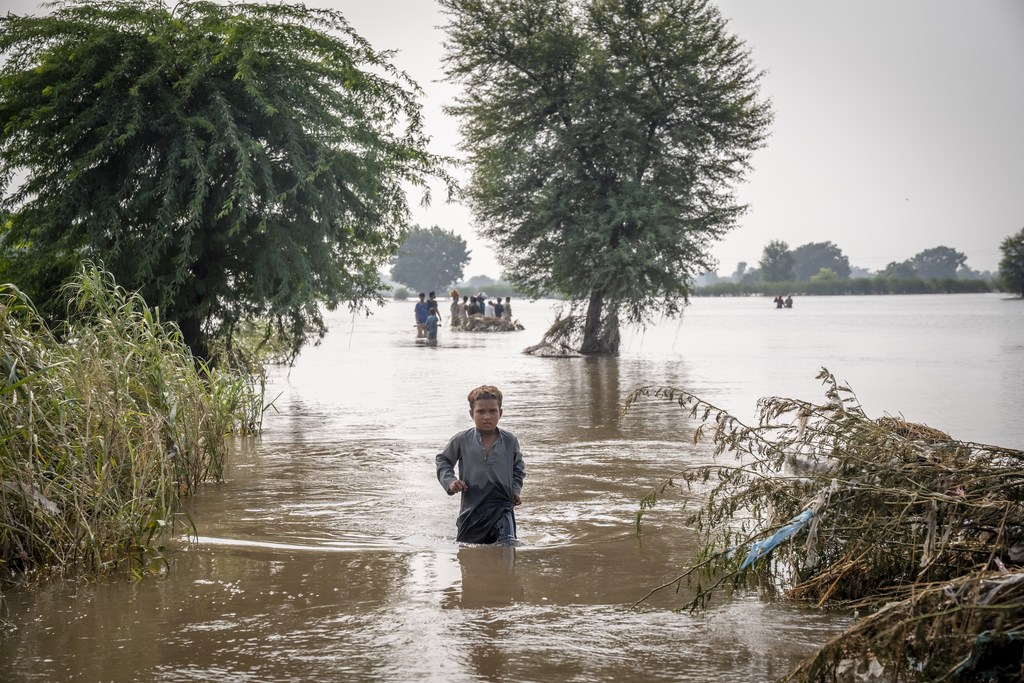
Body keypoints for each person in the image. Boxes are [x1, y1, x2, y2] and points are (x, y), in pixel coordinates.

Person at [436, 385, 525, 544]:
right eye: (480, 411)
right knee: (468, 549)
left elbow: (518, 469)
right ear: (471, 414)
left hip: (502, 505)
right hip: (472, 509)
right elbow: (443, 460)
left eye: (492, 411)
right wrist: (451, 482)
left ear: (500, 413)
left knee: (508, 543)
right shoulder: (461, 440)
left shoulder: (510, 441)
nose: (487, 416)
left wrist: (515, 489)